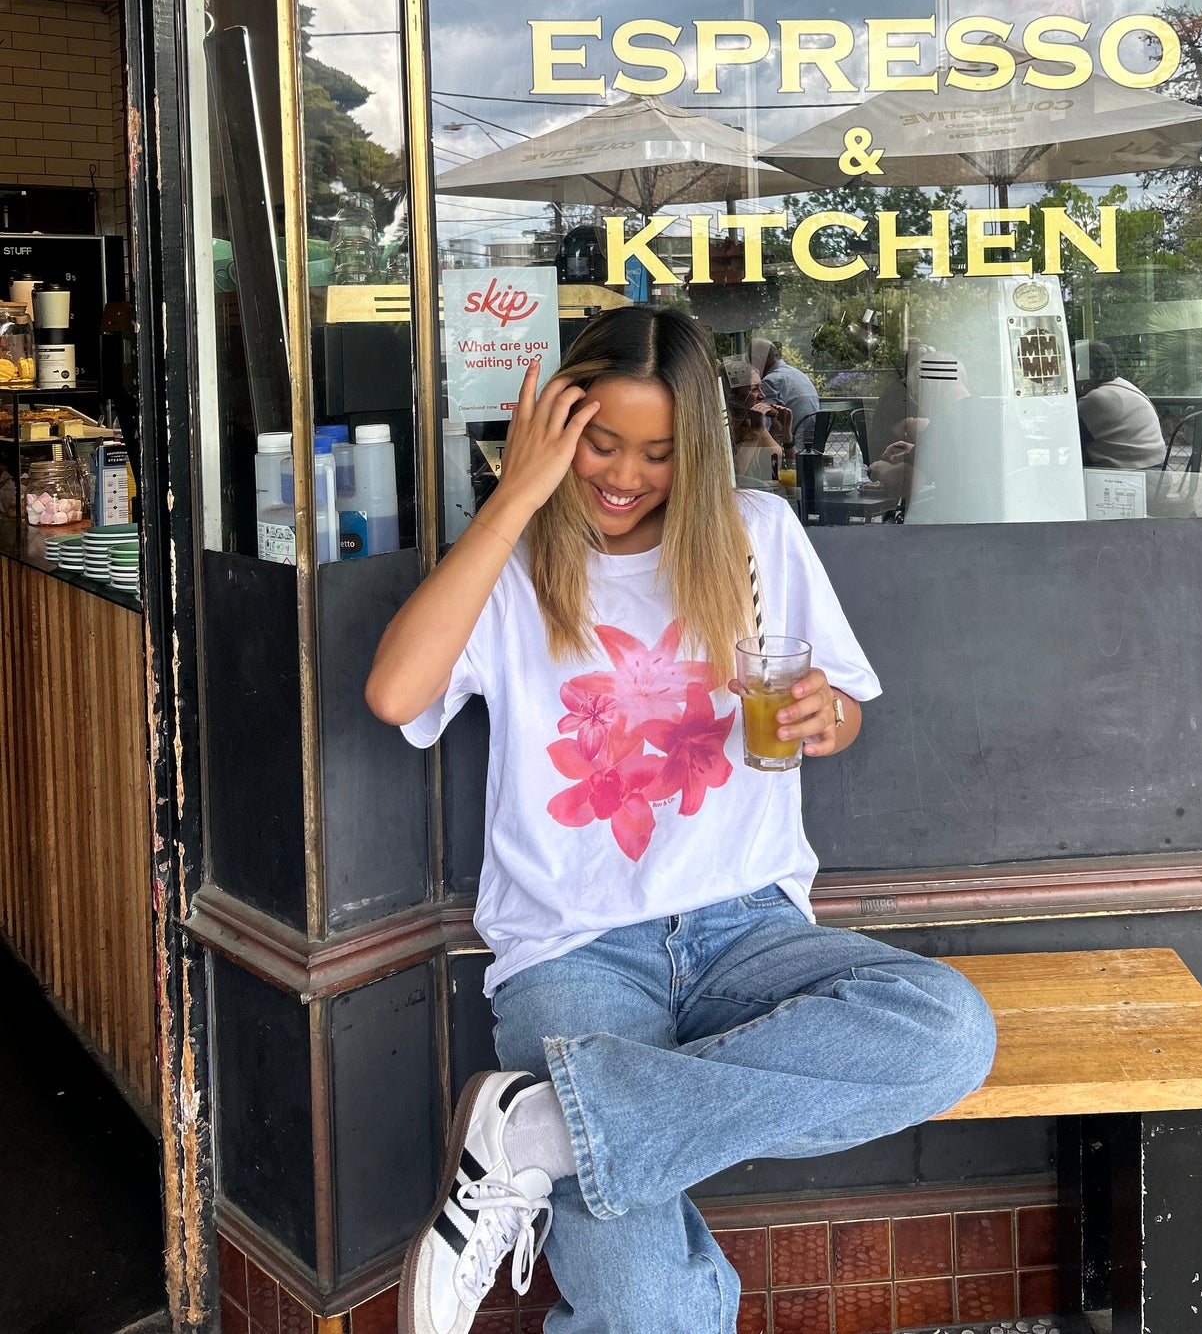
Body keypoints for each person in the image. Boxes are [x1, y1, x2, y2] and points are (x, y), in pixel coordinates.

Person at [365, 306, 995, 1334]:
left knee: (947, 1032)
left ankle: (539, 1134)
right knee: (649, 1308)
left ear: (695, 450)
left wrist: (829, 716)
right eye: (599, 443)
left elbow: (839, 705)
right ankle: (569, 1128)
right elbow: (396, 693)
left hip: (747, 928)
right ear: (558, 428)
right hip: (573, 950)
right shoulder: (510, 563)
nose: (623, 475)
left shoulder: (757, 536)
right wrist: (516, 493)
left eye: (657, 454)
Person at [1074, 340, 1166, 470]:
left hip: (1132, 474)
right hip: (1156, 469)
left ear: (1086, 374)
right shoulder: (1123, 385)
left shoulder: (1095, 399)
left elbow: (1068, 436)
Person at [723, 353, 788, 485]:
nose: (762, 396)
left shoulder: (750, 422)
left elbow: (774, 460)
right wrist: (755, 432)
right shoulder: (721, 427)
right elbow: (732, 476)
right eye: (754, 389)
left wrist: (782, 431)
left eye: (761, 388)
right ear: (733, 396)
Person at [750, 335, 820, 445]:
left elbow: (764, 427)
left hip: (791, 444)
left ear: (758, 360)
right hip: (810, 444)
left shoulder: (771, 381)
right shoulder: (798, 374)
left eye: (750, 362)